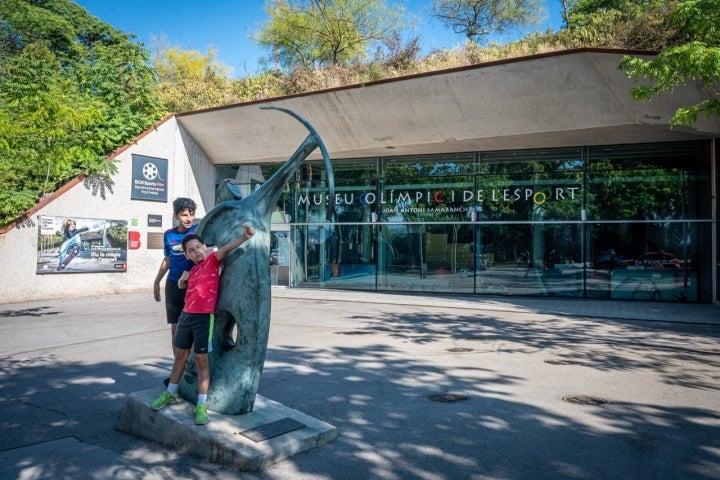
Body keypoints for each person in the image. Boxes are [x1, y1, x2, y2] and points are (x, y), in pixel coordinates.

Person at [150, 225, 255, 425]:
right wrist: (182, 281)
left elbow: (225, 249)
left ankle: (201, 405)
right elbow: (184, 287)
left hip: (203, 319)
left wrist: (244, 236)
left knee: (202, 361)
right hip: (186, 317)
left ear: (205, 247)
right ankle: (171, 392)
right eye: (191, 250)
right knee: (180, 355)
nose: (197, 251)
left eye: (199, 247)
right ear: (187, 255)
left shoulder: (211, 261)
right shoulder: (192, 270)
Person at [153, 197, 197, 385]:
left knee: (195, 328)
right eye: (184, 215)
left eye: (192, 214)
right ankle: (178, 370)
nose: (189, 219)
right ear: (175, 216)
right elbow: (167, 260)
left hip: (193, 285)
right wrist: (156, 282)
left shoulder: (198, 232)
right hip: (173, 285)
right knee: (175, 329)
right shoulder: (169, 235)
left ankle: (195, 367)